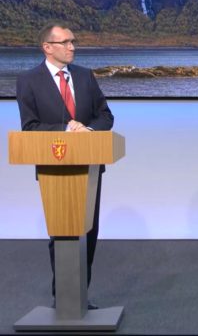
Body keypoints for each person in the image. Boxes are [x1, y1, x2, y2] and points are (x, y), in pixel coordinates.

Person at [16, 23, 114, 309]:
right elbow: (30, 127)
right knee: (62, 233)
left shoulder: (85, 76)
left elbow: (105, 116)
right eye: (65, 42)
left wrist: (88, 131)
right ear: (47, 47)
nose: (72, 47)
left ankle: (80, 296)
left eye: (73, 41)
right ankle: (63, 298)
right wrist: (66, 129)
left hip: (89, 165)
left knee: (88, 232)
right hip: (54, 166)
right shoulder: (28, 80)